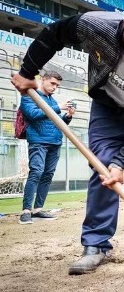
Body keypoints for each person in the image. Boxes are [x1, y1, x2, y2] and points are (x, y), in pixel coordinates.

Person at [11, 0, 124, 275]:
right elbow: (54, 34)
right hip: (107, 108)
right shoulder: (95, 26)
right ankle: (96, 245)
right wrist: (28, 72)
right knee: (102, 164)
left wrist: (122, 164)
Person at [18, 71, 75, 225]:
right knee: (36, 172)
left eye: (57, 85)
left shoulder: (53, 101)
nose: (54, 87)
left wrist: (67, 116)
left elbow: (58, 123)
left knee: (47, 175)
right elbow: (33, 114)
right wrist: (58, 107)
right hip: (38, 141)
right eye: (52, 83)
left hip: (55, 142)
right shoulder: (29, 96)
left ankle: (37, 209)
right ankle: (25, 211)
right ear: (43, 80)